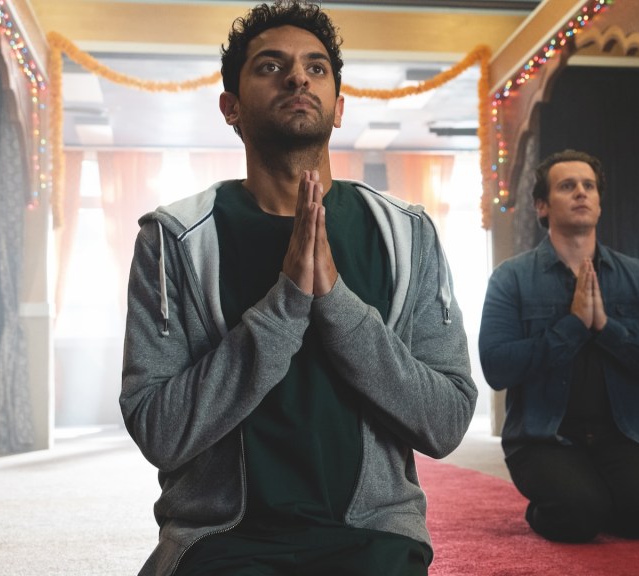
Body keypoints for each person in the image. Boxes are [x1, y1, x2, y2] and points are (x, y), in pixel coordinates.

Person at [119, 2, 477, 575]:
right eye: (269, 66)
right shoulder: (175, 240)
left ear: (338, 107)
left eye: (316, 68)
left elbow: (447, 420)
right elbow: (161, 431)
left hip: (371, 538)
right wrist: (286, 303)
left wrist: (335, 303)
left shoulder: (406, 234)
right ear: (230, 108)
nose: (296, 77)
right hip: (223, 541)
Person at [478, 149, 639, 544]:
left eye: (588, 186)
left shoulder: (635, 276)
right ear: (542, 206)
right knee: (578, 515)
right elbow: (497, 367)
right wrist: (573, 326)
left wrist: (606, 328)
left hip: (622, 436)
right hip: (544, 438)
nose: (581, 193)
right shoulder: (511, 279)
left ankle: (598, 498)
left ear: (599, 203)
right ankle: (566, 503)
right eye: (567, 186)